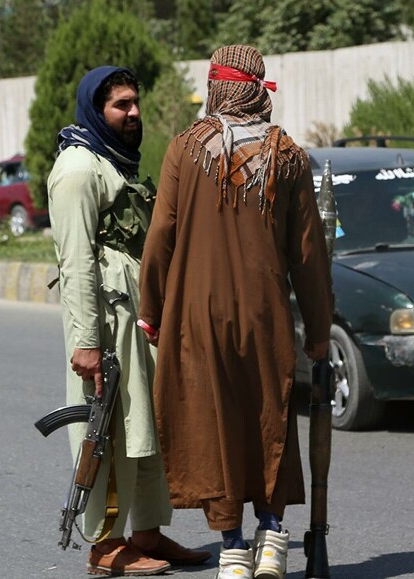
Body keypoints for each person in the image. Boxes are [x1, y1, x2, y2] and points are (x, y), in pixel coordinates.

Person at [138, 45, 335, 579]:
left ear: (215, 87)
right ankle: (271, 535)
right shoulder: (289, 155)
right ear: (258, 89)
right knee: (268, 418)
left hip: (198, 319)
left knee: (216, 424)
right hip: (265, 315)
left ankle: (231, 545)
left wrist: (150, 310)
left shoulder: (184, 149)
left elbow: (160, 237)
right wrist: (318, 331)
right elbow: (309, 257)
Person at [48, 66, 210, 576]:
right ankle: (104, 544)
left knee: (144, 425)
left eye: (135, 103)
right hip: (106, 322)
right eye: (121, 105)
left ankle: (146, 534)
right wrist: (86, 342)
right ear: (97, 111)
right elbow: (74, 263)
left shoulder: (112, 162)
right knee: (109, 429)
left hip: (134, 317)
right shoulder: (77, 170)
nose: (133, 112)